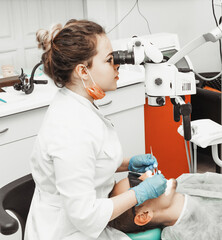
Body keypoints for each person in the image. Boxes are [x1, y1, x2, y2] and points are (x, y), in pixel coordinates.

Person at [25, 19, 167, 240]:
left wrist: (127, 163)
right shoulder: (70, 130)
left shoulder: (78, 102)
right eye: (110, 60)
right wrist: (139, 194)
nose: (118, 64)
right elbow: (86, 216)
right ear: (83, 71)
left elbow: (90, 158)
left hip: (85, 222)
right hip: (66, 232)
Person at [109, 171, 222, 240]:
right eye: (139, 184)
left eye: (135, 175)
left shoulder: (186, 180)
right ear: (144, 216)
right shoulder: (177, 235)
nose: (148, 174)